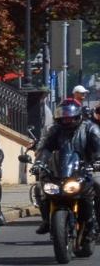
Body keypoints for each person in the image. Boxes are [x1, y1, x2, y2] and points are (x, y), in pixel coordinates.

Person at [32, 99, 100, 235]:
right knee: (40, 188)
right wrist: (39, 162)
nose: (66, 119)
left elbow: (98, 147)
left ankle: (95, 221)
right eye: (64, 116)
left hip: (84, 169)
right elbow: (44, 148)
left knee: (98, 185)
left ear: (77, 116)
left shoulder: (90, 128)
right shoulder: (54, 131)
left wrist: (97, 161)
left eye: (70, 117)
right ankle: (46, 220)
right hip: (59, 170)